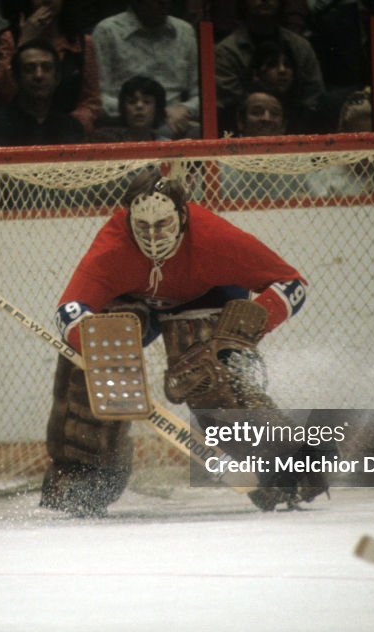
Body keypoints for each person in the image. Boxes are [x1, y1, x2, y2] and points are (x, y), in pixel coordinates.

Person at [42, 166, 320, 517]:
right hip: (133, 301)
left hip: (204, 297)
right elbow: (69, 310)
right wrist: (97, 351)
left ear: (184, 217)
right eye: (142, 226)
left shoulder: (214, 238)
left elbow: (292, 284)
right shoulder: (113, 244)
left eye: (163, 225)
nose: (153, 236)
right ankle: (85, 475)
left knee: (210, 377)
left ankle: (285, 468)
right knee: (91, 352)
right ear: (128, 220)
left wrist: (242, 332)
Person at [92, 0, 200, 139]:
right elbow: (97, 98)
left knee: (204, 136)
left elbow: (200, 95)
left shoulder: (185, 32)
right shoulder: (107, 31)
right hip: (123, 120)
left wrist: (185, 109)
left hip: (174, 119)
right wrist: (151, 111)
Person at [0, 0, 102, 134]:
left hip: (68, 130)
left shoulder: (82, 42)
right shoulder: (11, 38)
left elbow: (91, 100)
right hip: (17, 128)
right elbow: (4, 92)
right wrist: (24, 41)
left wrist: (71, 124)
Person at [215, 0, 324, 127]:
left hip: (298, 124)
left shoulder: (300, 46)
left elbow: (314, 98)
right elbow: (232, 105)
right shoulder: (226, 51)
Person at [0, 40, 86, 146]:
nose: (38, 75)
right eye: (29, 69)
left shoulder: (71, 128)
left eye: (46, 68)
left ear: (57, 77)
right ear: (16, 77)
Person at [89, 75, 170, 142]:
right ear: (123, 108)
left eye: (146, 102)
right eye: (132, 102)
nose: (139, 106)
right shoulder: (108, 143)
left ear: (157, 109)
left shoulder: (167, 146)